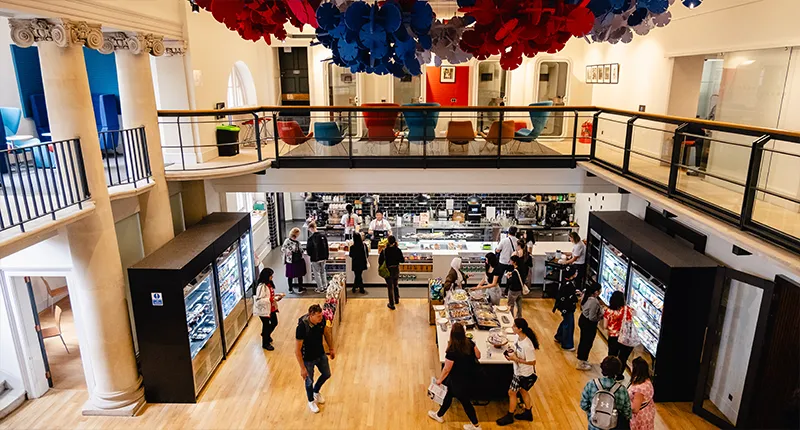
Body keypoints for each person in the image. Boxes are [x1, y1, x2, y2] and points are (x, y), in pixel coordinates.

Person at [428, 322, 482, 430]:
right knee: (449, 395)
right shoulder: (470, 343)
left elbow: (447, 369)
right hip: (470, 377)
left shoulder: (452, 350)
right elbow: (478, 355)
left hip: (458, 381)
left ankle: (476, 426)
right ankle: (439, 415)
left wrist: (439, 381)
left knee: (466, 403)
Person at [496, 318, 539, 426]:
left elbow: (532, 362)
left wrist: (516, 359)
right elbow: (515, 348)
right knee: (523, 392)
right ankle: (528, 412)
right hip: (519, 370)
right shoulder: (518, 338)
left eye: (515, 326)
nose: (512, 327)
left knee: (512, 392)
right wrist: (510, 352)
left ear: (520, 329)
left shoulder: (527, 345)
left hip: (522, 373)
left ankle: (510, 415)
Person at [295, 304, 335, 414]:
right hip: (308, 359)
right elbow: (297, 350)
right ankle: (311, 401)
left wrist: (331, 348)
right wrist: (302, 368)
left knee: (326, 374)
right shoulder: (302, 327)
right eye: (318, 316)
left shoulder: (322, 321)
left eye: (321, 316)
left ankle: (316, 391)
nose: (321, 318)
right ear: (311, 315)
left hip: (320, 354)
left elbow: (326, 333)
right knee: (309, 381)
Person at [580, 356, 632, 430]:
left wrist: (593, 412)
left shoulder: (591, 384)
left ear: (602, 368)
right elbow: (627, 413)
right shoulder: (622, 390)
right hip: (613, 426)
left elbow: (583, 405)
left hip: (594, 425)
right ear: (618, 371)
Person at [604, 291, 634, 380]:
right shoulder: (627, 310)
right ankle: (619, 375)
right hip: (624, 337)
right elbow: (630, 323)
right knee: (623, 357)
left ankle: (610, 374)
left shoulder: (608, 311)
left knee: (612, 356)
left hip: (613, 337)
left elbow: (605, 326)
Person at [576, 283, 604, 370]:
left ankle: (582, 359)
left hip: (583, 320)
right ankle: (581, 362)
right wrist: (601, 316)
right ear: (596, 292)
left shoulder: (586, 295)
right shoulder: (594, 302)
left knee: (583, 341)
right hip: (589, 324)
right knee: (587, 343)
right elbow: (592, 317)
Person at [255, 268, 284, 350]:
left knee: (274, 322)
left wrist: (277, 297)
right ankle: (265, 342)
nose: (272, 277)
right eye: (271, 275)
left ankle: (266, 334)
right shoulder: (261, 286)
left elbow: (270, 295)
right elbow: (259, 299)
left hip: (271, 308)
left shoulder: (269, 284)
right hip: (264, 310)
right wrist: (271, 299)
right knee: (266, 325)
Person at [553, 266, 580, 351]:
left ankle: (559, 336)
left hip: (563, 306)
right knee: (569, 324)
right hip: (567, 307)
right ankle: (567, 344)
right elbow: (570, 297)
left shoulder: (567, 282)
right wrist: (577, 297)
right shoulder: (569, 285)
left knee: (566, 321)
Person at [628, 357, 655, 430]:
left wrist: (625, 402)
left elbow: (635, 408)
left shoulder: (639, 389)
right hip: (648, 413)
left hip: (639, 418)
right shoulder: (647, 380)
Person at [378, 235, 404, 310]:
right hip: (396, 269)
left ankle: (391, 304)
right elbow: (402, 260)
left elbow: (380, 261)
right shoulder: (398, 250)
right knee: (395, 284)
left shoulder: (384, 251)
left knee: (390, 287)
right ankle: (397, 299)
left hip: (388, 270)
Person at [306, 221, 330, 294]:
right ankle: (325, 286)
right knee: (323, 271)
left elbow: (309, 250)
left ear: (311, 228)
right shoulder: (323, 236)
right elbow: (326, 247)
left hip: (315, 258)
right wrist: (326, 256)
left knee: (317, 273)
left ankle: (320, 288)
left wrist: (311, 255)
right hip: (323, 257)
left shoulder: (310, 238)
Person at [281, 227, 306, 294]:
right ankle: (300, 288)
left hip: (289, 261)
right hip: (297, 261)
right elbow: (301, 251)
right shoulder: (297, 243)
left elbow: (283, 249)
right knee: (299, 275)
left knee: (290, 275)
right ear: (296, 234)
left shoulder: (286, 241)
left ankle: (290, 289)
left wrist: (288, 253)